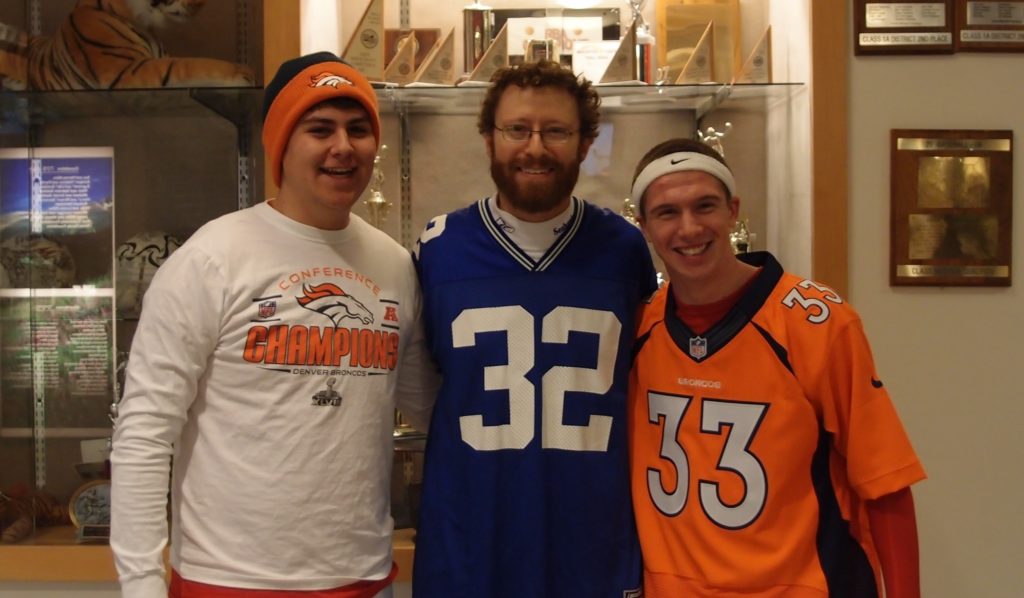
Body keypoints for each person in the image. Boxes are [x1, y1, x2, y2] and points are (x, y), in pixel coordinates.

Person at [110, 51, 438, 598]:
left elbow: (430, 405)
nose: (343, 146)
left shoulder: (394, 265)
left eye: (358, 129)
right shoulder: (213, 257)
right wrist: (142, 583)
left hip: (359, 574)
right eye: (319, 128)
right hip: (230, 579)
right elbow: (145, 432)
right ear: (281, 144)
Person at [628, 137, 927, 597]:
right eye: (668, 212)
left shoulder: (817, 323)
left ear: (733, 210)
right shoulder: (638, 326)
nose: (689, 228)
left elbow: (884, 481)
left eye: (704, 206)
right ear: (643, 226)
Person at [411, 59, 657, 597]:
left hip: (593, 538)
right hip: (472, 537)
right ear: (488, 139)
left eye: (557, 132)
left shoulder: (623, 248)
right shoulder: (439, 248)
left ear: (586, 142)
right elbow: (422, 385)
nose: (535, 148)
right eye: (517, 129)